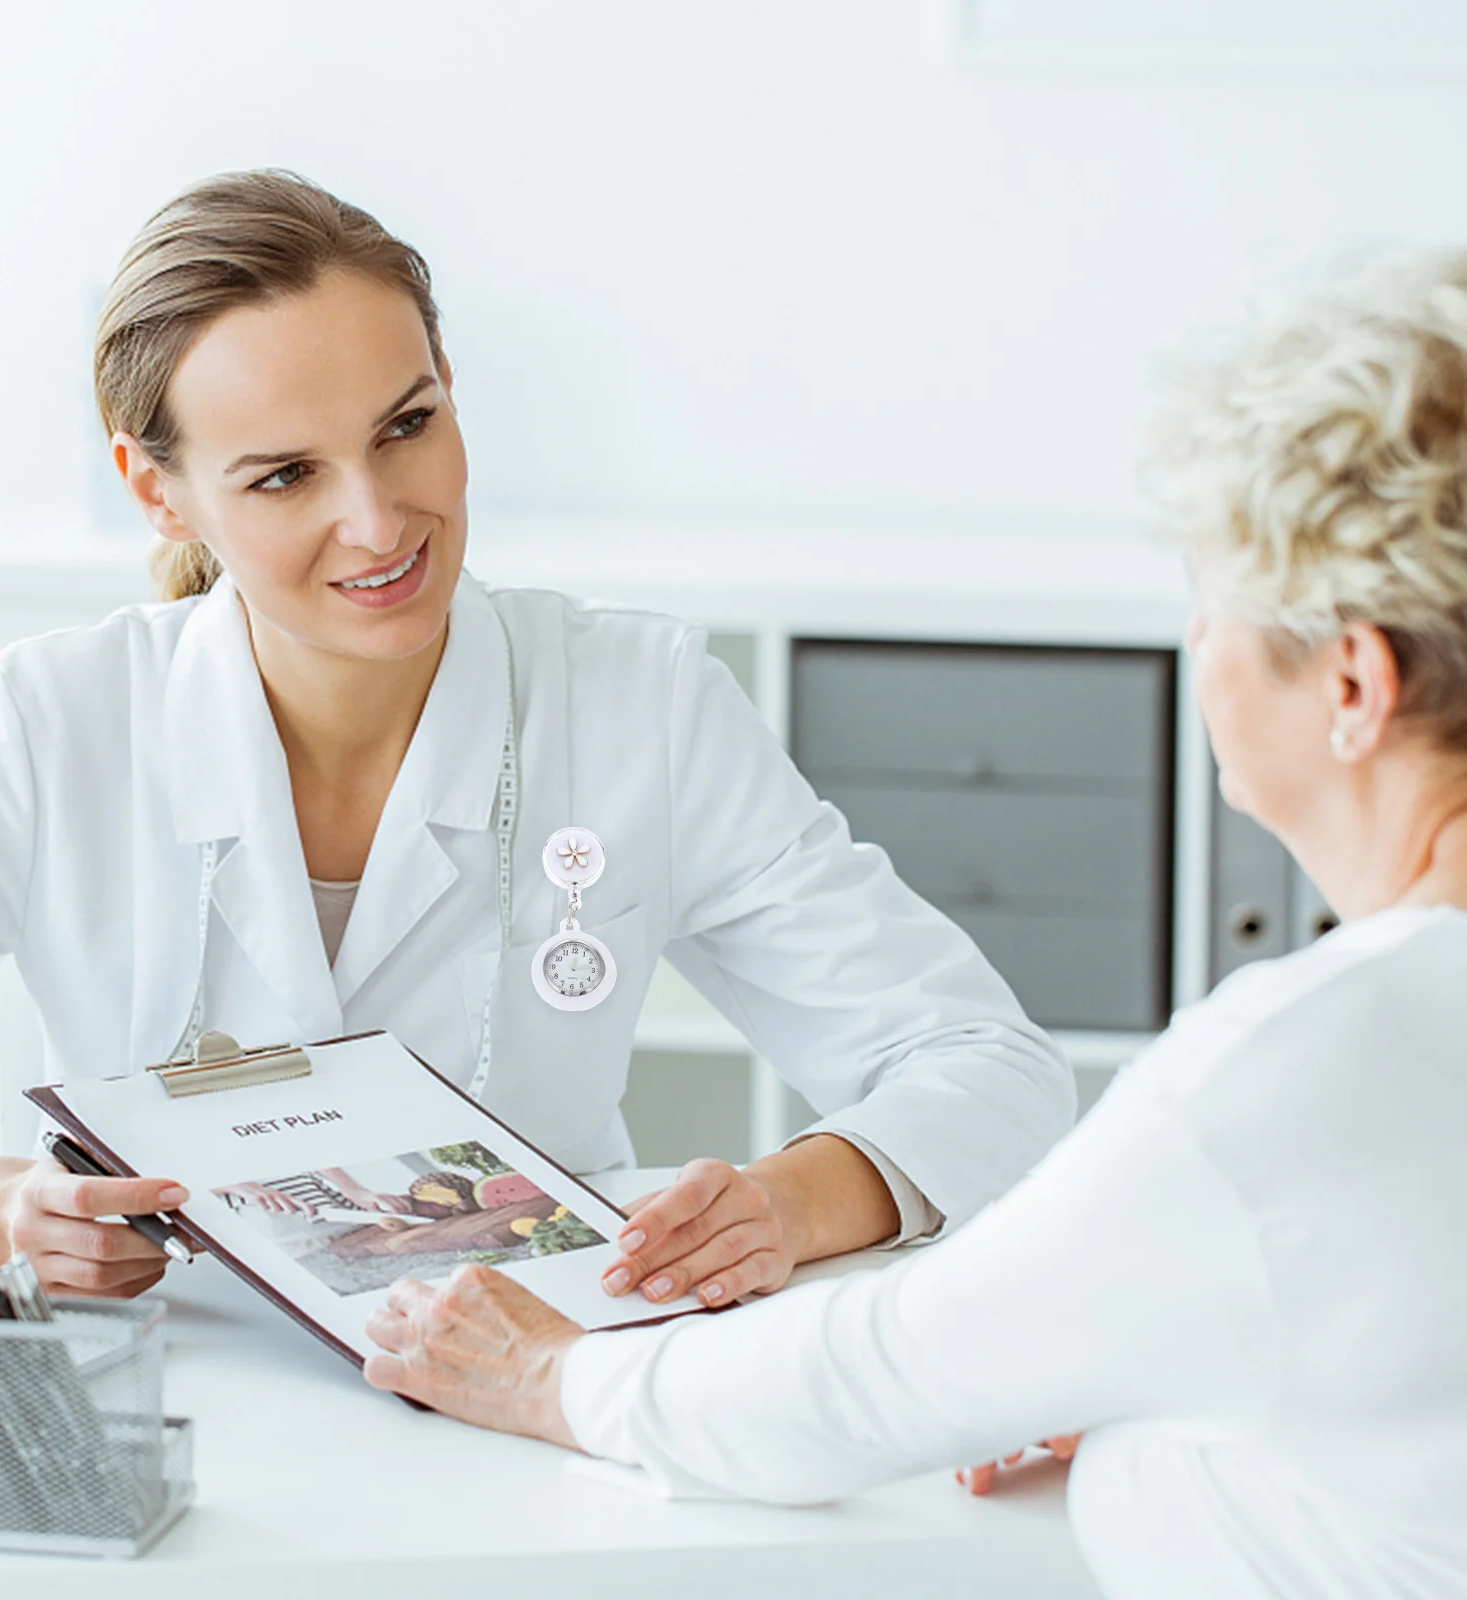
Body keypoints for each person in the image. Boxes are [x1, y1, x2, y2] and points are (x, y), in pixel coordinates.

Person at [361, 255, 1467, 1599]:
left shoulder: (1300, 1073)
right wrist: (1132, 1367)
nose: (1200, 645)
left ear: (1351, 680)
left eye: (1213, 596)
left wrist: (550, 1371)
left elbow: (858, 1383)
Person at [0, 170, 1072, 1304]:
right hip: (167, 1396)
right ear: (159, 491)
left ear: (445, 377)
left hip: (534, 1378)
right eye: (285, 476)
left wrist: (788, 1205)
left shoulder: (635, 703)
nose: (378, 521)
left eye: (406, 425)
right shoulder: (47, 724)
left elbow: (988, 1064)